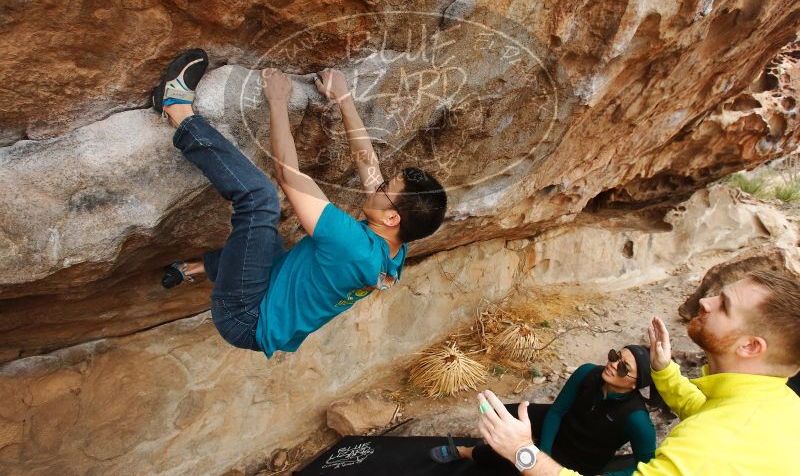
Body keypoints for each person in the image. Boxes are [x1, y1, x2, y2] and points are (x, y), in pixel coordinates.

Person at [152, 49, 447, 357]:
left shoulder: (352, 247)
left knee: (259, 200)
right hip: (270, 293)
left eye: (386, 187)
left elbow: (287, 173)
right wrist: (344, 99)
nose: (379, 183)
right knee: (269, 239)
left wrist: (277, 101)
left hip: (244, 316)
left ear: (391, 218)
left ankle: (175, 108)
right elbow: (367, 164)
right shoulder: (395, 246)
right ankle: (196, 268)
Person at [475, 271, 800, 475]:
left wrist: (525, 454)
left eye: (725, 305)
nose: (706, 301)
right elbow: (705, 409)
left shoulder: (714, 447)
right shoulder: (775, 402)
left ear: (750, 347)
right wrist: (664, 370)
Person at [430, 346, 656, 475]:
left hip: (581, 458)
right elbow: (557, 411)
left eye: (624, 367)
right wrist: (543, 450)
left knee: (513, 462)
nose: (613, 364)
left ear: (635, 384)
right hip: (564, 424)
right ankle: (480, 449)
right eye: (616, 356)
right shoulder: (589, 373)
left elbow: (647, 465)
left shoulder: (637, 419)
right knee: (505, 415)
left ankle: (466, 452)